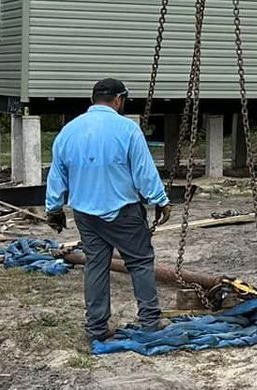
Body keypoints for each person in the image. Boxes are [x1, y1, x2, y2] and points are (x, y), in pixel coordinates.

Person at [44, 79, 170, 342]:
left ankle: (96, 329)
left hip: (86, 214)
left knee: (96, 266)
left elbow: (57, 175)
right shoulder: (127, 129)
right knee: (140, 262)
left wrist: (54, 209)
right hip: (122, 210)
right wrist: (160, 199)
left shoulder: (68, 131)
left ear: (94, 100)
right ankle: (150, 322)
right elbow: (143, 171)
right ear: (119, 100)